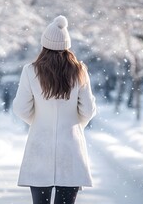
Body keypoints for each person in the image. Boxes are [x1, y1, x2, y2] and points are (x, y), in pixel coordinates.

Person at [12, 15, 97, 204]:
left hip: (40, 147)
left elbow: (20, 108)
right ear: (67, 46)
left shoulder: (30, 71)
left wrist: (39, 120)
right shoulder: (79, 71)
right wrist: (75, 123)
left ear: (44, 45)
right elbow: (88, 110)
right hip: (70, 148)